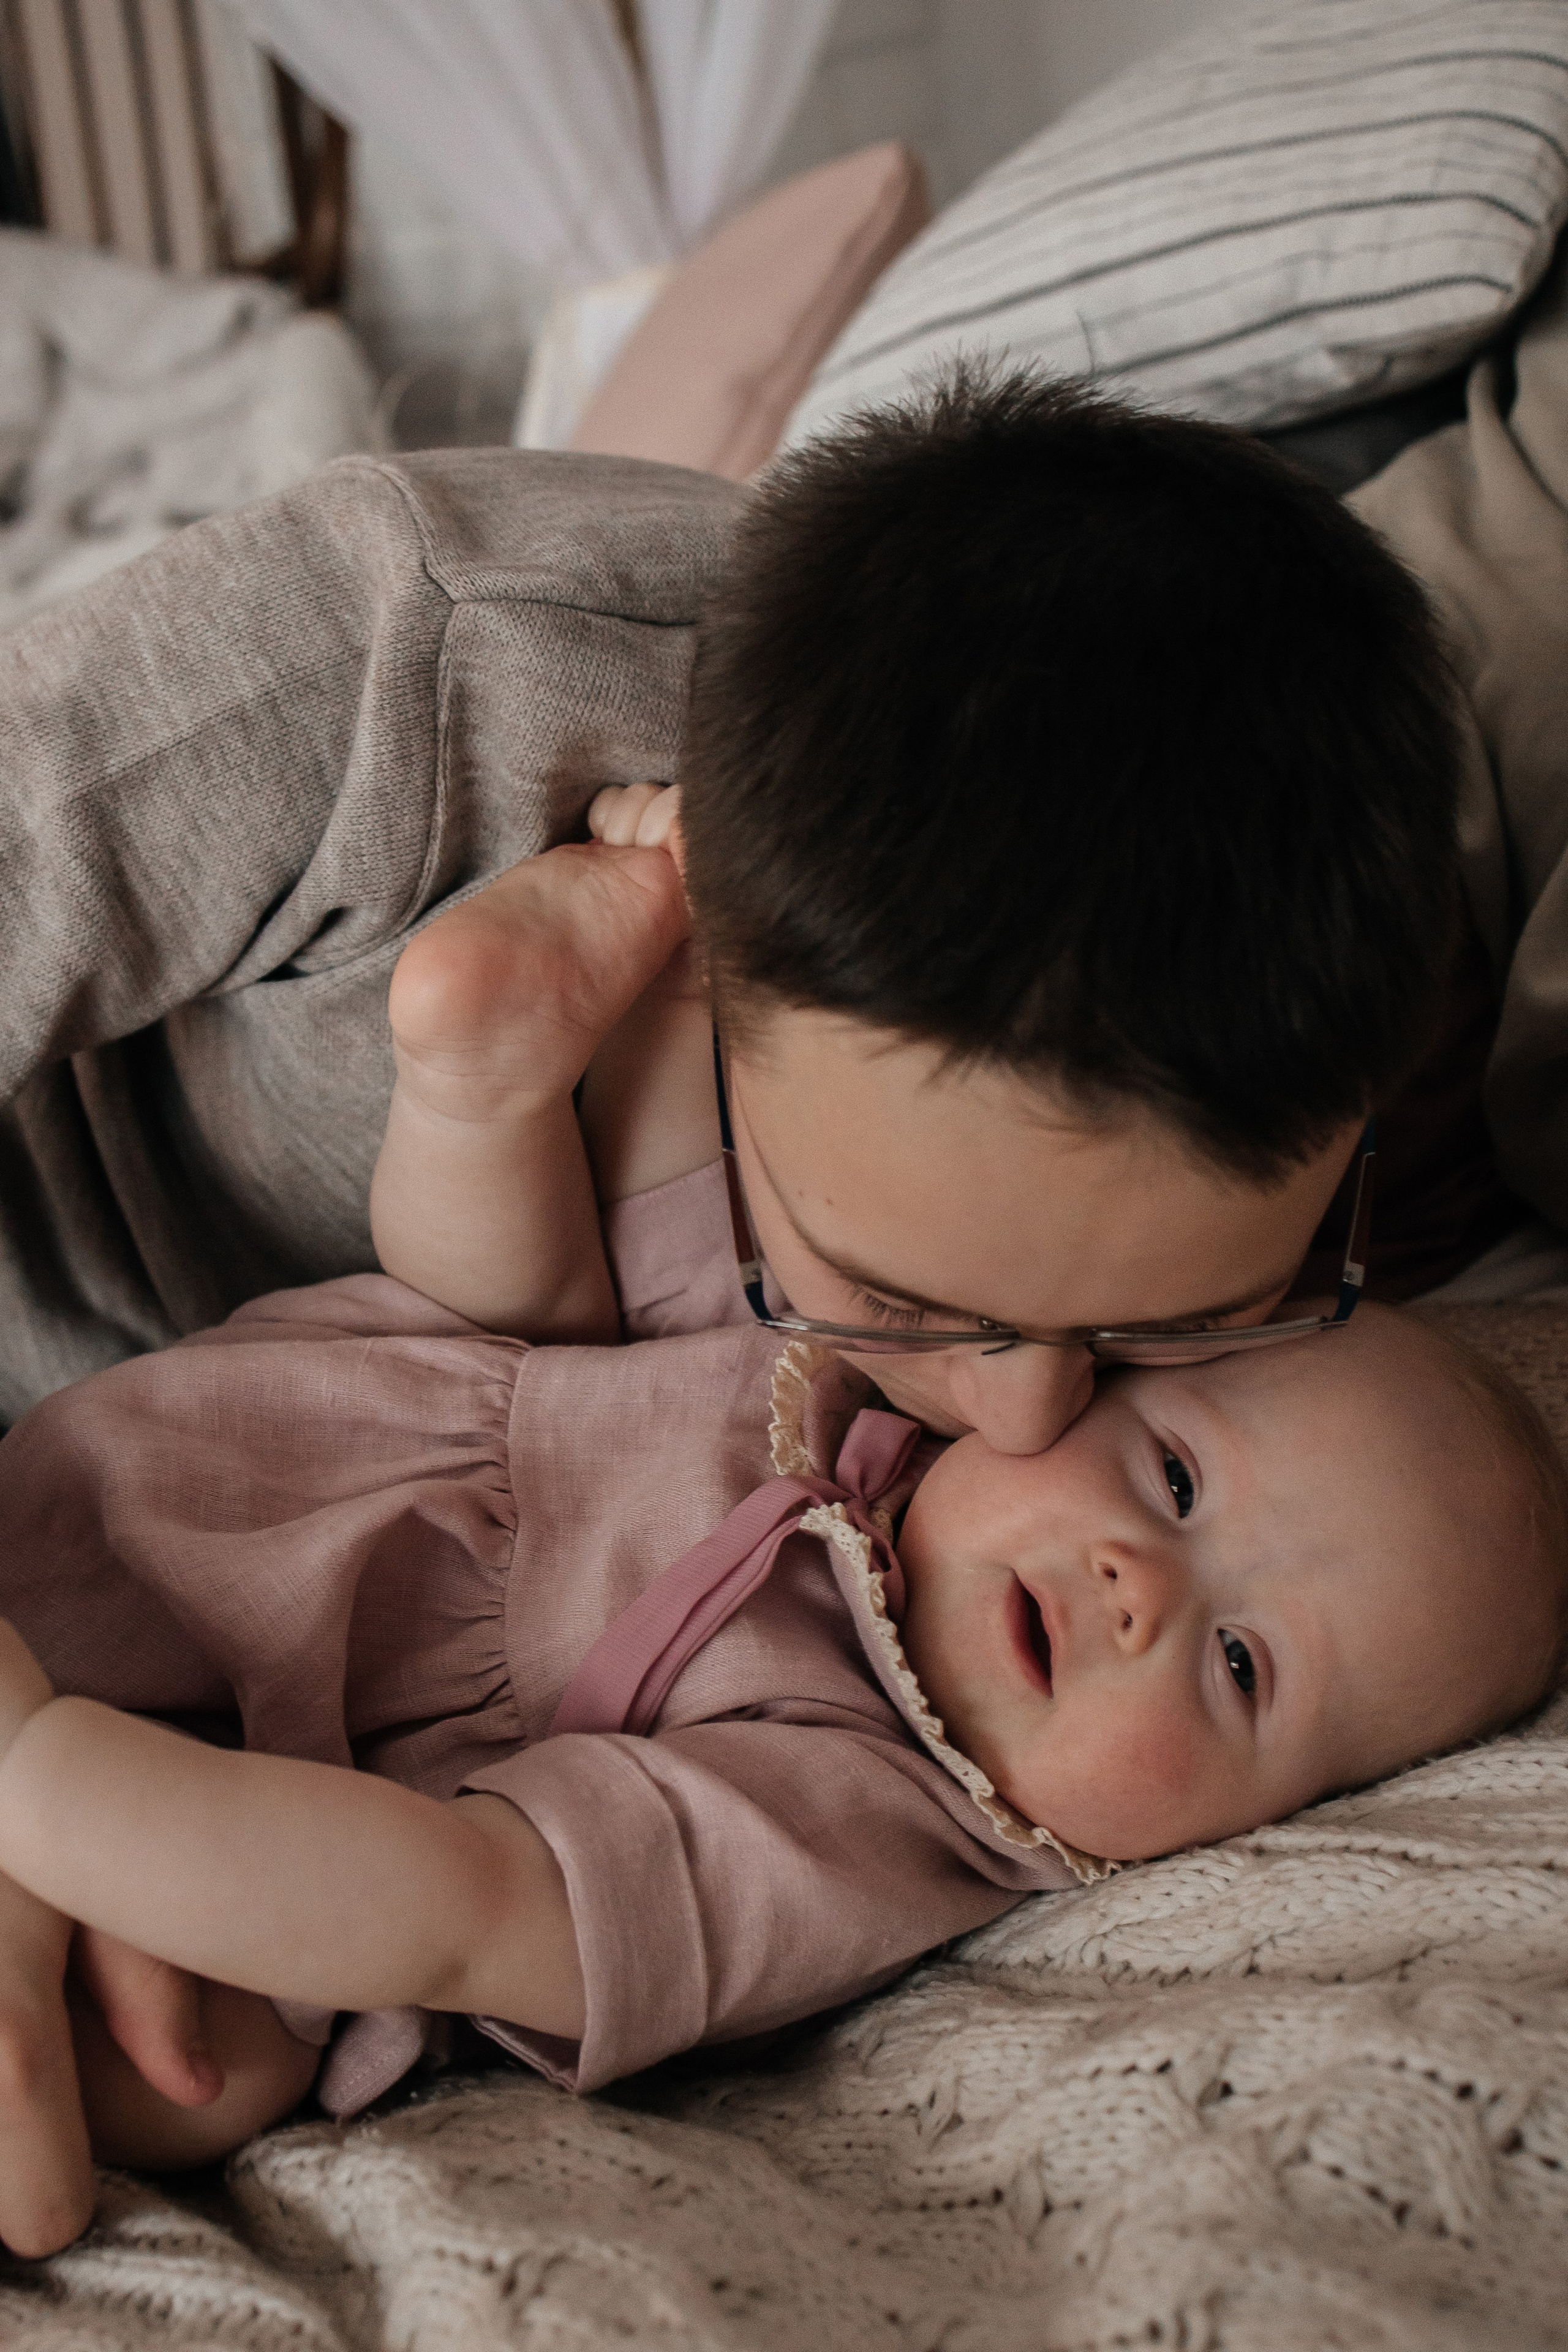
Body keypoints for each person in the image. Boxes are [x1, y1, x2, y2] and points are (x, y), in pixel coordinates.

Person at [0, 365, 1525, 2240]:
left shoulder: (1340, 990)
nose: (1034, 1425)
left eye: (1170, 1333)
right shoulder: (396, 657)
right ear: (711, 942)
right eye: (896, 1291)